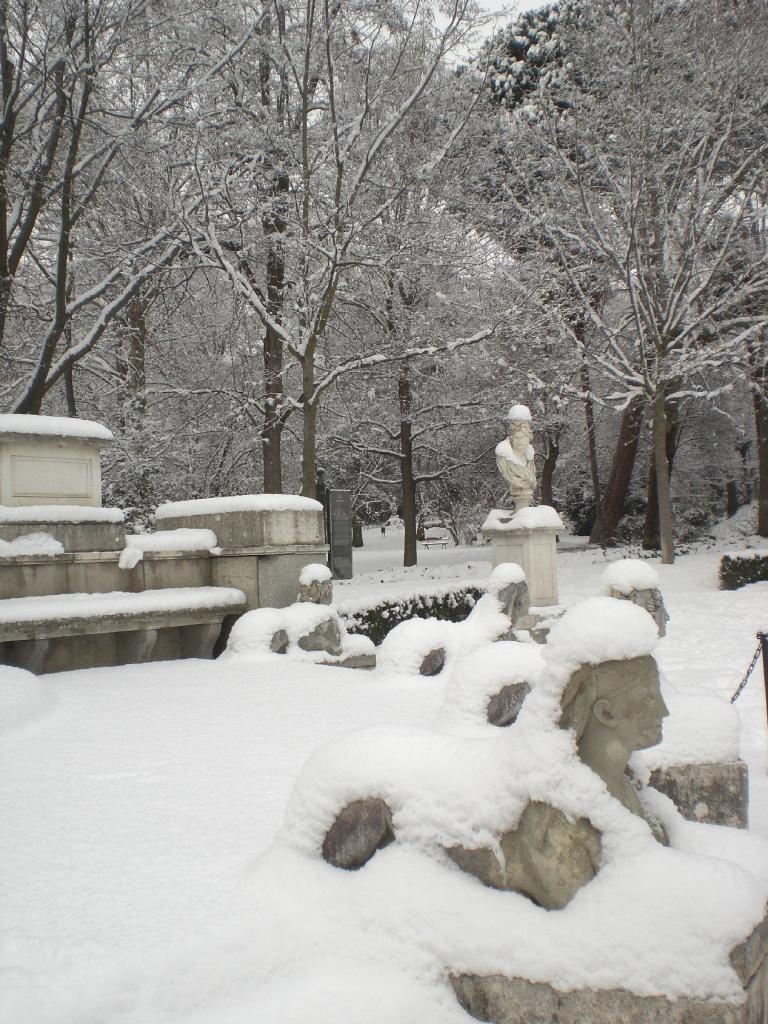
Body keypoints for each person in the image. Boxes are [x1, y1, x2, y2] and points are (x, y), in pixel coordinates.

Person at [495, 405, 537, 509]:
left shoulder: (529, 459)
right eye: (516, 437)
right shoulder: (505, 458)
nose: (519, 440)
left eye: (523, 437)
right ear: (511, 438)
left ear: (529, 438)